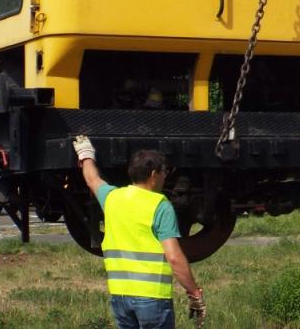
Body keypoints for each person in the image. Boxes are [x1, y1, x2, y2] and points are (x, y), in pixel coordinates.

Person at [73, 135, 205, 329]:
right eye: (164, 172)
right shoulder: (160, 205)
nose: (165, 176)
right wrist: (194, 292)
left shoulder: (112, 197)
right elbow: (174, 258)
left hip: (120, 297)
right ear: (153, 174)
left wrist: (86, 155)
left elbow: (92, 180)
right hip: (152, 298)